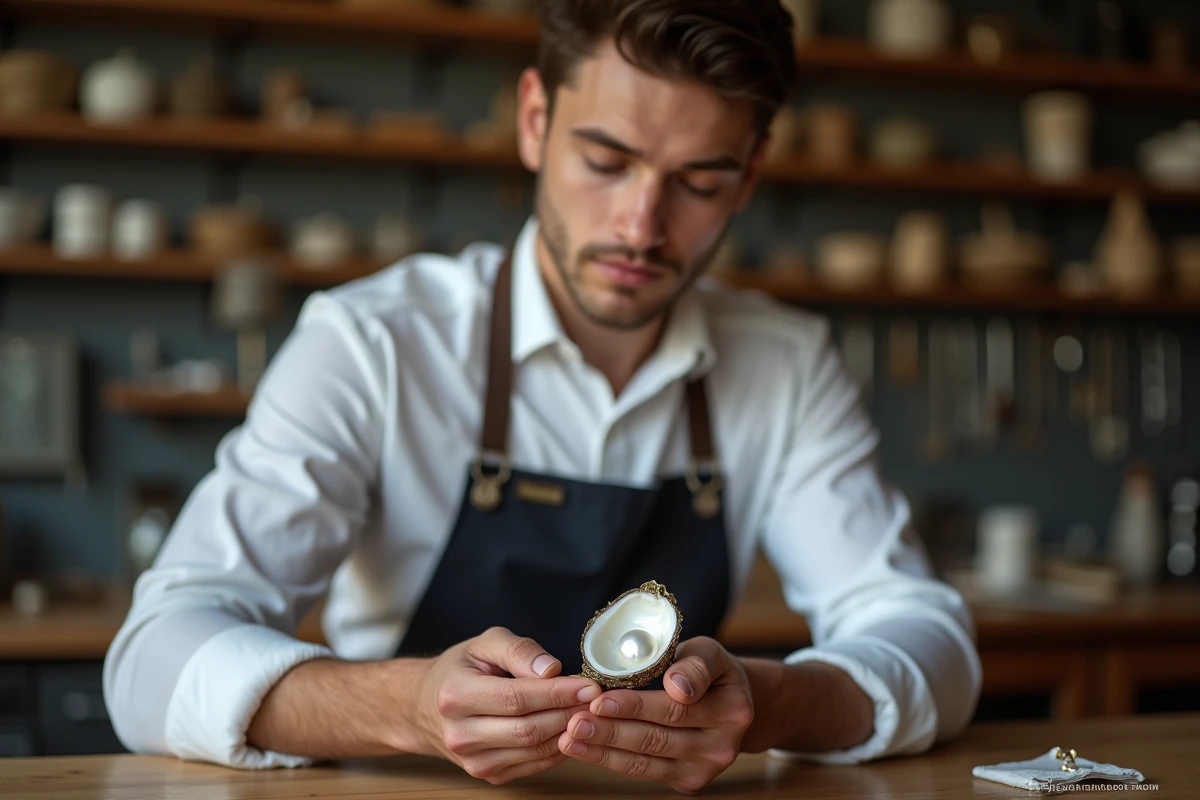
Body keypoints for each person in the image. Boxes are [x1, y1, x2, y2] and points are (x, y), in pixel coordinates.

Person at [103, 0, 981, 793]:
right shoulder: (374, 343)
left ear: (748, 178)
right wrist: (406, 705)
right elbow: (152, 660)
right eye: (607, 160)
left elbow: (925, 638)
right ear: (535, 121)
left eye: (699, 182)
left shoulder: (785, 364)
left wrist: (771, 702)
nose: (641, 225)